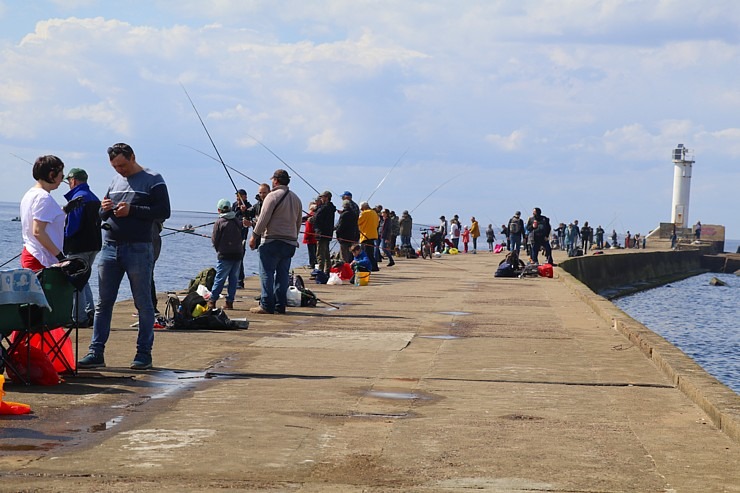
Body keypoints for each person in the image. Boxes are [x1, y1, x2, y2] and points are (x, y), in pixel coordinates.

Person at [78, 143, 170, 371]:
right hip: (110, 247)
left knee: (143, 304)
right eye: (115, 166)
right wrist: (105, 208)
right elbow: (102, 213)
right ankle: (95, 352)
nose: (120, 170)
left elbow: (163, 211)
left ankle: (143, 354)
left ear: (132, 157)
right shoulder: (115, 181)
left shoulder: (153, 179)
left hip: (138, 248)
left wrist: (133, 210)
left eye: (122, 165)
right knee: (103, 303)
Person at [248, 169, 302, 315]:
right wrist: (295, 237)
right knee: (283, 275)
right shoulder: (296, 199)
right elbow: (298, 222)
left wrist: (254, 236)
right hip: (290, 242)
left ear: (276, 181)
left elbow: (263, 218)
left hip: (272, 240)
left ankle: (266, 304)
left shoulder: (271, 196)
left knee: (267, 272)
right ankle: (280, 305)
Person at [63, 167, 102, 327]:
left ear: (73, 181)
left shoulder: (78, 199)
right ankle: (89, 311)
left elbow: (72, 226)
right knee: (83, 279)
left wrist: (62, 239)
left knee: (75, 281)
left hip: (79, 245)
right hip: (94, 244)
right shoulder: (93, 197)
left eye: (68, 182)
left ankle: (79, 318)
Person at [20, 155, 66, 271]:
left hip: (32, 253)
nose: (62, 179)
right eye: (62, 175)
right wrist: (60, 257)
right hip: (40, 258)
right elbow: (38, 231)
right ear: (52, 175)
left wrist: (65, 211)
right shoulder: (44, 198)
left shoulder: (31, 194)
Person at [208, 199, 243, 310]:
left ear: (219, 210)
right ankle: (229, 302)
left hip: (225, 255)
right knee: (233, 279)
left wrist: (218, 250)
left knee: (220, 278)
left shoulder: (219, 222)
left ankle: (212, 300)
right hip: (237, 254)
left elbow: (214, 239)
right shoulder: (237, 220)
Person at [232, 188, 253, 288]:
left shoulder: (248, 207)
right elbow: (232, 216)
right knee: (231, 258)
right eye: (237, 196)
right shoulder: (235, 205)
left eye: (240, 196)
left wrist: (244, 212)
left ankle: (240, 282)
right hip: (233, 235)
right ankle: (233, 280)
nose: (237, 198)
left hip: (242, 236)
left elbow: (248, 220)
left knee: (239, 258)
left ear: (245, 196)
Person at [313, 191, 336, 277]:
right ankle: (327, 271)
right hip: (328, 233)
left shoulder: (323, 208)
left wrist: (310, 219)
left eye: (322, 197)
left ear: (326, 198)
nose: (321, 199)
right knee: (326, 253)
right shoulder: (331, 208)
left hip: (321, 233)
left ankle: (320, 272)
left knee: (320, 254)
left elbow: (316, 218)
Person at [335, 198, 359, 263]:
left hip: (344, 237)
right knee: (351, 254)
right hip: (352, 237)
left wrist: (337, 233)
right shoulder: (353, 214)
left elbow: (340, 226)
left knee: (344, 255)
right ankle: (351, 268)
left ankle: (345, 269)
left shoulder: (344, 215)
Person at [358, 201, 380, 271]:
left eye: (361, 209)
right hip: (373, 234)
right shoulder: (374, 213)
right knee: (370, 252)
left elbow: (358, 222)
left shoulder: (364, 213)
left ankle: (374, 266)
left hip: (365, 235)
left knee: (367, 253)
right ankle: (373, 266)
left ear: (363, 207)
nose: (361, 210)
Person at [302, 202, 318, 268]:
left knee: (311, 252)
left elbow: (308, 228)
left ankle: (312, 264)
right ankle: (315, 263)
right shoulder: (315, 215)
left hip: (310, 237)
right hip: (315, 237)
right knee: (315, 251)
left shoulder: (310, 217)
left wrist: (306, 237)